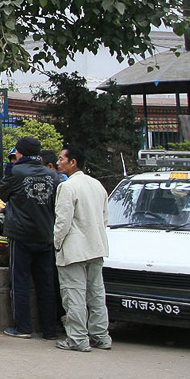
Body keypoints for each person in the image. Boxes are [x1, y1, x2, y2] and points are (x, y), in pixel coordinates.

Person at [0, 136, 63, 340]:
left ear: (20, 152)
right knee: (46, 283)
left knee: (20, 281)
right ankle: (49, 329)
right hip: (45, 234)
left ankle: (23, 327)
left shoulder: (16, 172)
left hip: (21, 234)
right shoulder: (52, 175)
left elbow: (2, 193)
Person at [53, 144, 111, 352]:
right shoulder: (97, 185)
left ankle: (77, 338)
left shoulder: (67, 187)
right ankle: (101, 336)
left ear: (72, 162)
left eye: (61, 159)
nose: (58, 163)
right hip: (97, 245)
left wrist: (57, 243)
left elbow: (63, 221)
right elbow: (105, 217)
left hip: (74, 249)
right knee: (96, 294)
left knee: (74, 294)